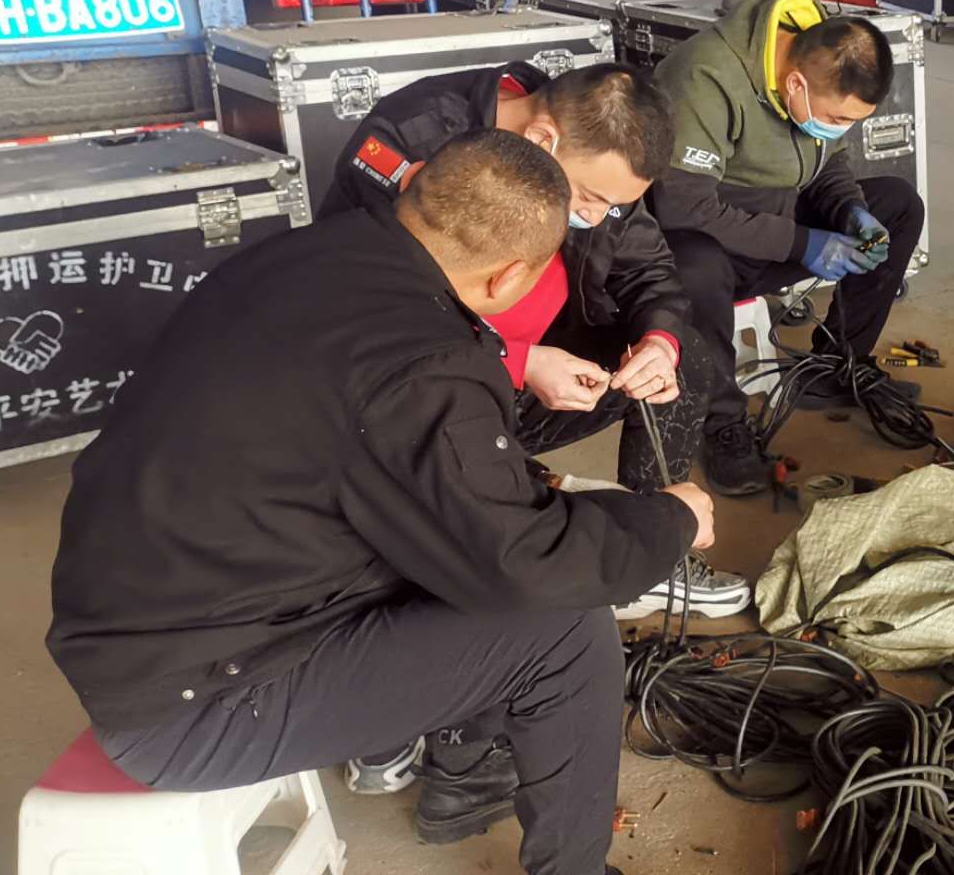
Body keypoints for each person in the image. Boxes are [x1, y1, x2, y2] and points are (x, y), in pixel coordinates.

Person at [48, 131, 713, 875]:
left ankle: (462, 769)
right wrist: (673, 517)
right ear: (509, 279)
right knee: (564, 628)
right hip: (198, 703)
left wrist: (510, 381)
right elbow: (533, 564)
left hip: (135, 622)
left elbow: (372, 425)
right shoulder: (425, 367)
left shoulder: (303, 255)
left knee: (453, 536)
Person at [319, 62, 749, 834]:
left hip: (522, 375)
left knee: (686, 361)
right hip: (409, 394)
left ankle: (654, 541)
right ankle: (405, 726)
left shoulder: (592, 145)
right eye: (590, 198)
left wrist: (657, 343)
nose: (596, 216)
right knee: (493, 552)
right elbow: (365, 320)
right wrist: (516, 363)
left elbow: (649, 265)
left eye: (612, 204)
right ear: (542, 140)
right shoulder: (410, 142)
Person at [649, 0, 925, 495]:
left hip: (777, 220)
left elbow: (827, 159)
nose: (840, 129)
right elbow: (682, 208)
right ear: (795, 83)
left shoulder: (818, 68)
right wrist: (803, 244)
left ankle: (837, 367)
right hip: (710, 239)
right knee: (694, 266)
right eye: (838, 119)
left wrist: (850, 210)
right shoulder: (703, 79)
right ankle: (722, 424)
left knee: (900, 203)